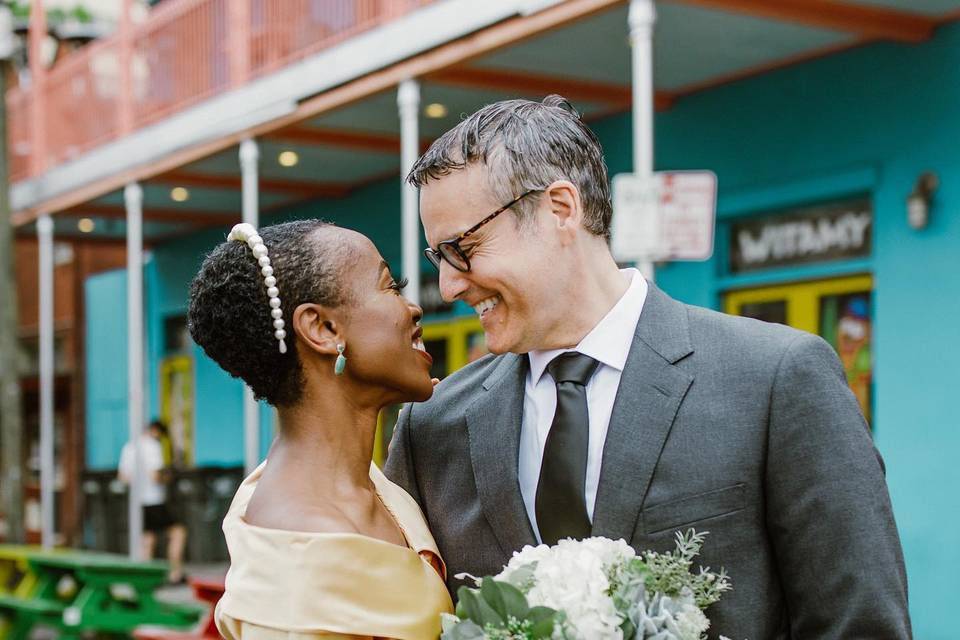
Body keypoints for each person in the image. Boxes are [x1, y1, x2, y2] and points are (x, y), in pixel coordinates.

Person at [384, 95, 912, 639]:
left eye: (463, 248)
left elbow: (860, 624)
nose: (449, 285)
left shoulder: (777, 378)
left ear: (559, 209)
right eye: (437, 258)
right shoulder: (432, 426)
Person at [187, 220, 451, 639]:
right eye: (391, 285)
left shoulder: (373, 487)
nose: (413, 308)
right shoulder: (297, 566)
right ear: (323, 329)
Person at [118, 419, 188, 583]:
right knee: (178, 532)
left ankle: (144, 578)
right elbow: (155, 476)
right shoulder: (152, 447)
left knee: (147, 539)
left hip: (137, 501)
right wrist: (167, 478)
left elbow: (123, 477)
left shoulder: (129, 447)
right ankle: (175, 573)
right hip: (154, 499)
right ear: (156, 431)